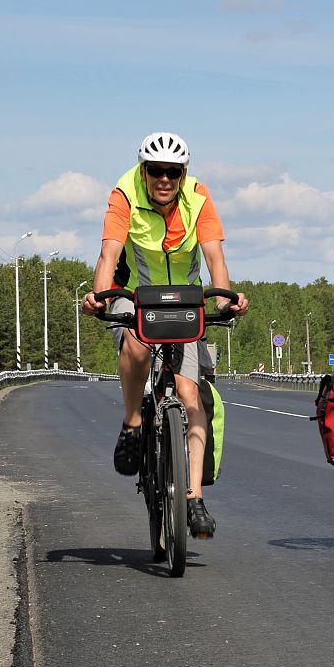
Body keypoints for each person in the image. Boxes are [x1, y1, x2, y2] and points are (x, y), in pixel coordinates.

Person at [82, 131, 247, 539]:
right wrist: (99, 296)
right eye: (156, 170)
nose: (164, 180)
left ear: (183, 174)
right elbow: (109, 253)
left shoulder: (198, 197)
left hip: (184, 301)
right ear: (144, 170)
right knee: (136, 346)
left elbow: (215, 257)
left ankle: (194, 498)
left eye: (173, 172)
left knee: (191, 396)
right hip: (134, 294)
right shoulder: (125, 193)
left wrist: (225, 298)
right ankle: (133, 422)